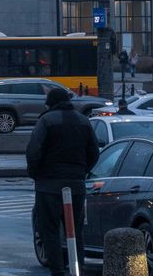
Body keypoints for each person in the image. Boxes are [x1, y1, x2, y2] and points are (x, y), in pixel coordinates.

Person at [26, 87, 99, 276]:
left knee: (49, 230)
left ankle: (57, 271)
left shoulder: (46, 120)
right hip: (76, 185)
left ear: (50, 103)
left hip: (48, 186)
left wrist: (36, 174)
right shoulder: (84, 121)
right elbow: (94, 153)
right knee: (76, 231)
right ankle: (78, 269)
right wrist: (81, 172)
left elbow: (34, 151)